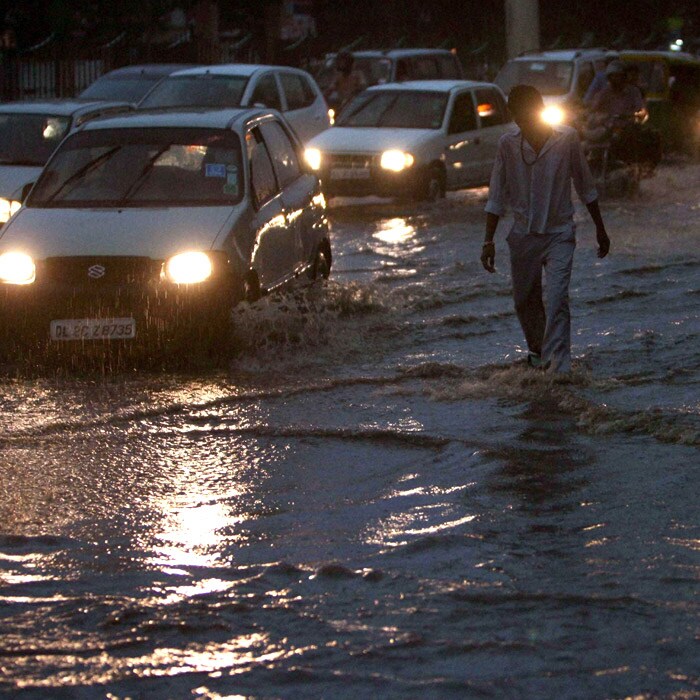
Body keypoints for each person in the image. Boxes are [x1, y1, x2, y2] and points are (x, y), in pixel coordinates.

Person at [481, 84, 610, 373]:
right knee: (525, 301)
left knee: (557, 299)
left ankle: (558, 367)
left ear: (538, 111)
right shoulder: (507, 144)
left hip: (559, 233)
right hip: (523, 236)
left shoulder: (566, 139)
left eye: (527, 116)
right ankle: (539, 353)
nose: (522, 123)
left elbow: (585, 186)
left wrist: (600, 229)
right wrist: (487, 241)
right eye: (518, 117)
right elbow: (496, 196)